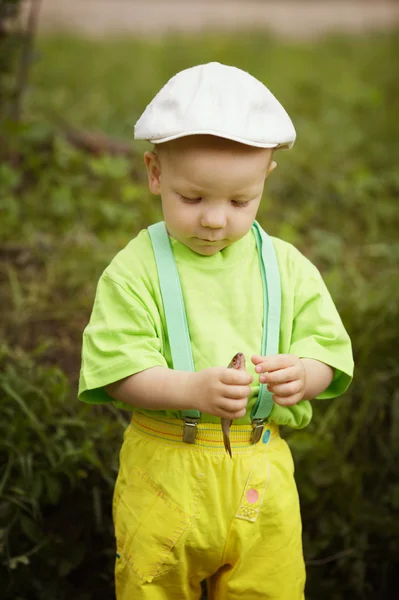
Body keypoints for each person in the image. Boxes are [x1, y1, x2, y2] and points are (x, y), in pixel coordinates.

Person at [78, 62, 354, 600]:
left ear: (265, 179)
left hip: (262, 474)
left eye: (239, 201)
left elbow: (328, 350)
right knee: (153, 587)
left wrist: (305, 374)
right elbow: (117, 371)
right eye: (193, 198)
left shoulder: (285, 266)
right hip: (165, 476)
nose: (214, 220)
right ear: (154, 173)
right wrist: (191, 390)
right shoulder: (137, 269)